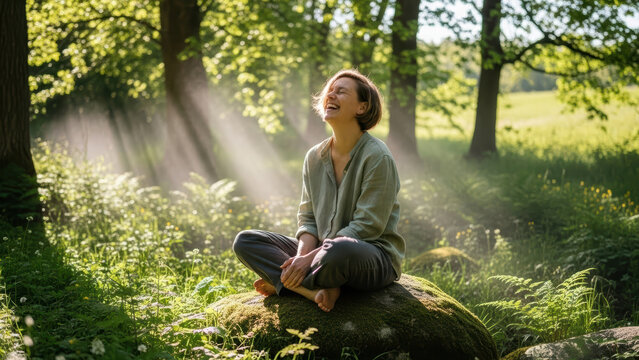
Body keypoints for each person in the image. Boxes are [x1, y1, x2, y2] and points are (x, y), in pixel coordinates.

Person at [233, 69, 405, 312]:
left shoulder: (377, 157)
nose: (330, 95)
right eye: (329, 91)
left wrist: (307, 261)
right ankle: (311, 290)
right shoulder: (314, 157)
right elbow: (308, 219)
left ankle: (287, 284)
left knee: (339, 249)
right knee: (246, 241)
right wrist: (301, 259)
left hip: (367, 256)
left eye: (341, 91)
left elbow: (367, 227)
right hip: (322, 253)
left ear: (362, 107)